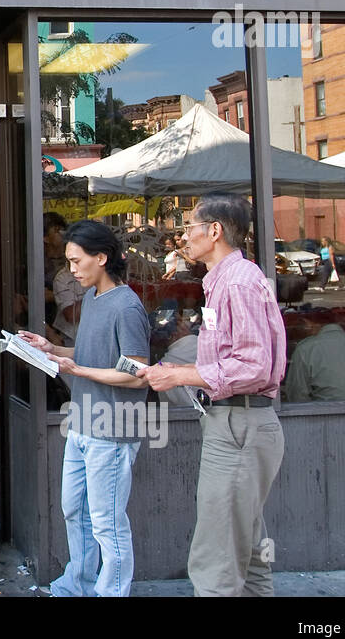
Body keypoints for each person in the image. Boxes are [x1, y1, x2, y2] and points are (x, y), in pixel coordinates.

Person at [140, 193, 287, 597]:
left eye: (190, 227)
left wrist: (183, 374)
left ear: (215, 231)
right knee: (247, 546)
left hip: (240, 423)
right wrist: (181, 373)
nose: (184, 236)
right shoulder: (226, 280)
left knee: (216, 557)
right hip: (235, 422)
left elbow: (254, 365)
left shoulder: (237, 282)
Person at [19, 220, 150, 597]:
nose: (71, 270)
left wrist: (76, 369)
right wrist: (51, 349)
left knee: (107, 523)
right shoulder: (94, 297)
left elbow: (137, 372)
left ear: (102, 258)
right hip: (83, 423)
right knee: (74, 511)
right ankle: (76, 585)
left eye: (76, 261)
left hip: (111, 428)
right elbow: (91, 356)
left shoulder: (126, 306)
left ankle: (111, 592)